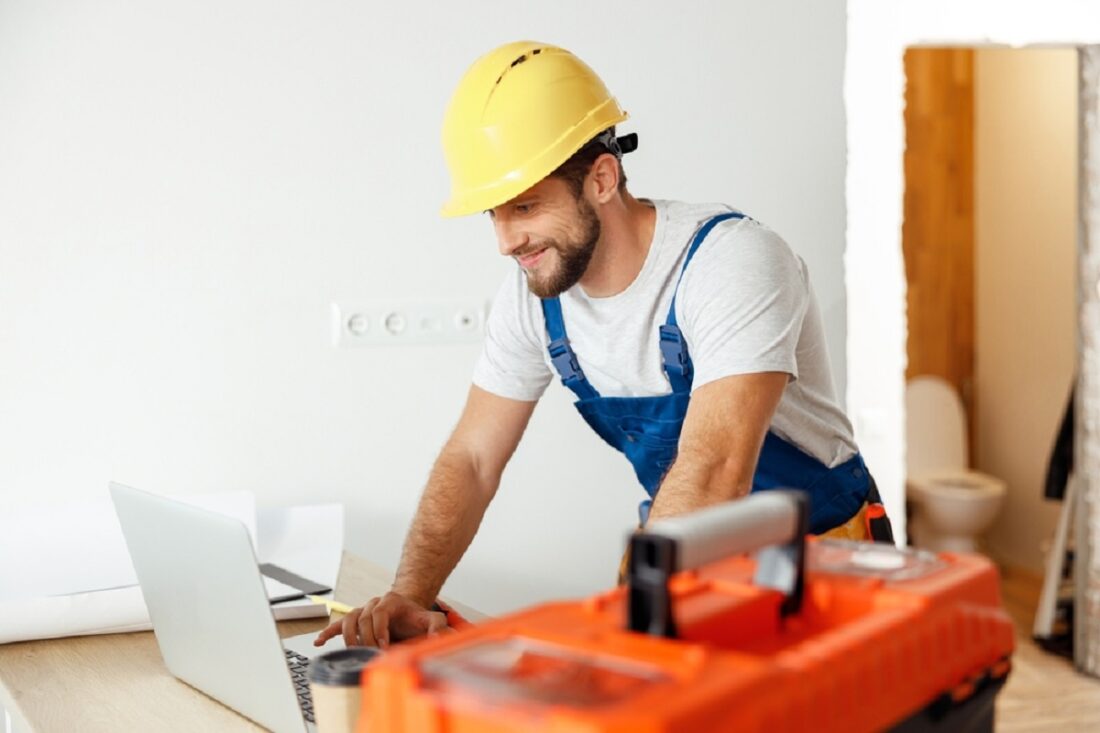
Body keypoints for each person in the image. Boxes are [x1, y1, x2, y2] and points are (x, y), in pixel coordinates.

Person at [315, 40, 892, 650]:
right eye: (493, 214)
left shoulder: (731, 262)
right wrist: (410, 594)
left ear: (601, 178)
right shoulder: (535, 295)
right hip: (685, 562)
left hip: (827, 569)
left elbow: (716, 469)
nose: (506, 241)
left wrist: (615, 643)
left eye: (526, 206)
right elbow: (473, 459)